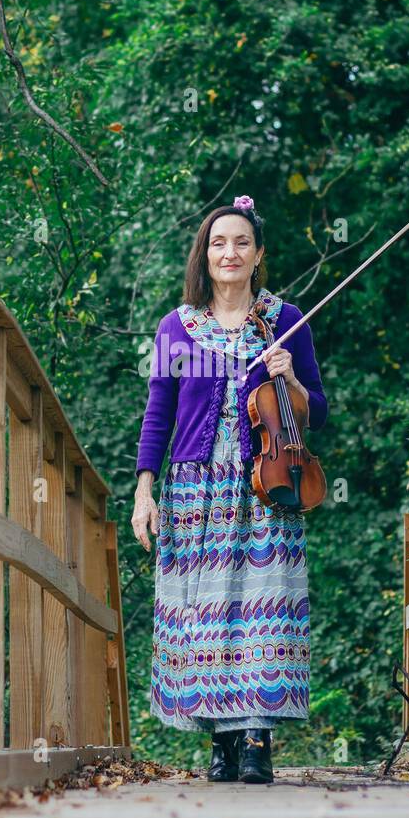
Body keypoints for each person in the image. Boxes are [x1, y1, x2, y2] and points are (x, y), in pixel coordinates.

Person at [132, 194, 328, 784]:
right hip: (195, 487)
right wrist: (145, 491)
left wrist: (288, 375)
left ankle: (257, 743)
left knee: (260, 609)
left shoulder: (287, 320)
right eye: (219, 243)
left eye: (241, 242)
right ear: (205, 254)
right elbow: (157, 415)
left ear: (259, 254)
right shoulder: (177, 327)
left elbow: (315, 410)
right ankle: (221, 741)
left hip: (264, 481)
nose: (230, 252)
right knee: (206, 613)